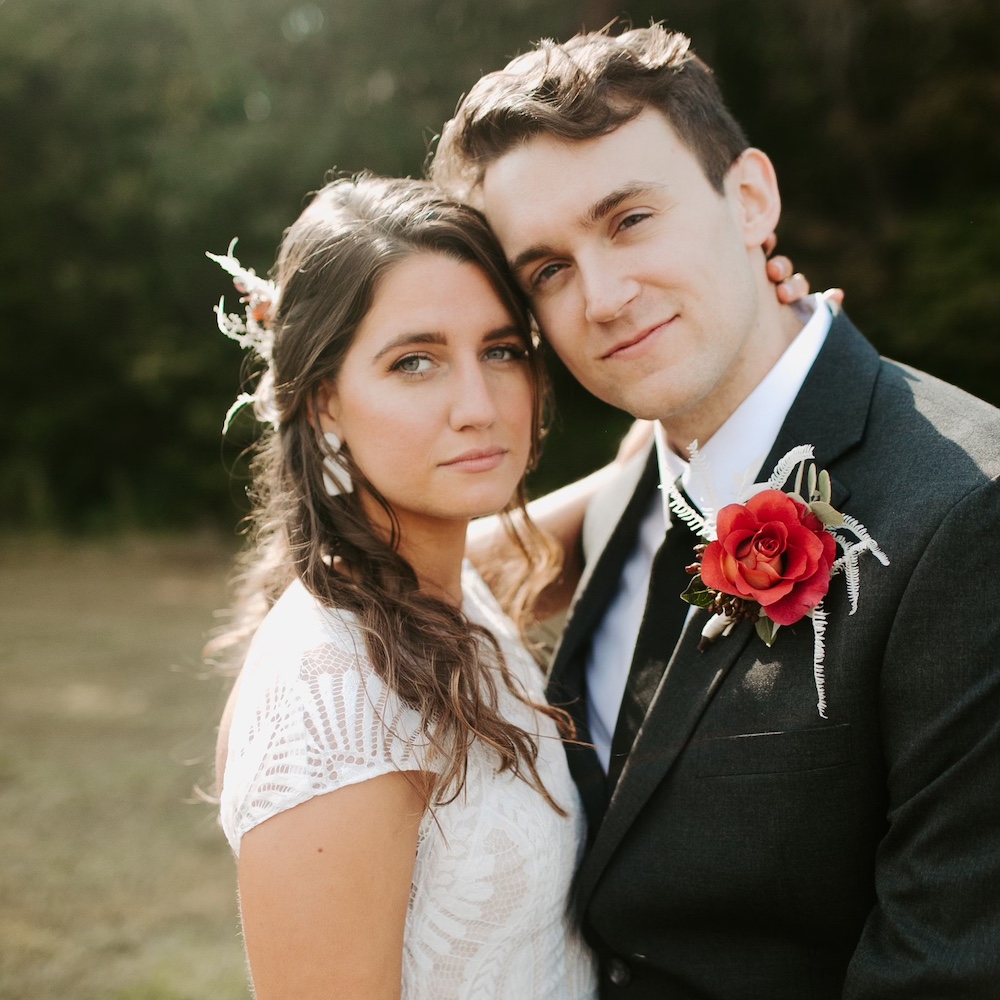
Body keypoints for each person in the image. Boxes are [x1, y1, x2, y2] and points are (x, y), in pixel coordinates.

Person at [430, 23, 1000, 999]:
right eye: (547, 272)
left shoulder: (962, 515)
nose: (602, 297)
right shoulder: (639, 482)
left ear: (749, 199)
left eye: (628, 219)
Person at [208, 172, 814, 999]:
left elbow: (634, 479)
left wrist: (755, 326)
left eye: (501, 351)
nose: (478, 405)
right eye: (414, 362)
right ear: (324, 404)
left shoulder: (437, 587)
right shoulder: (330, 691)